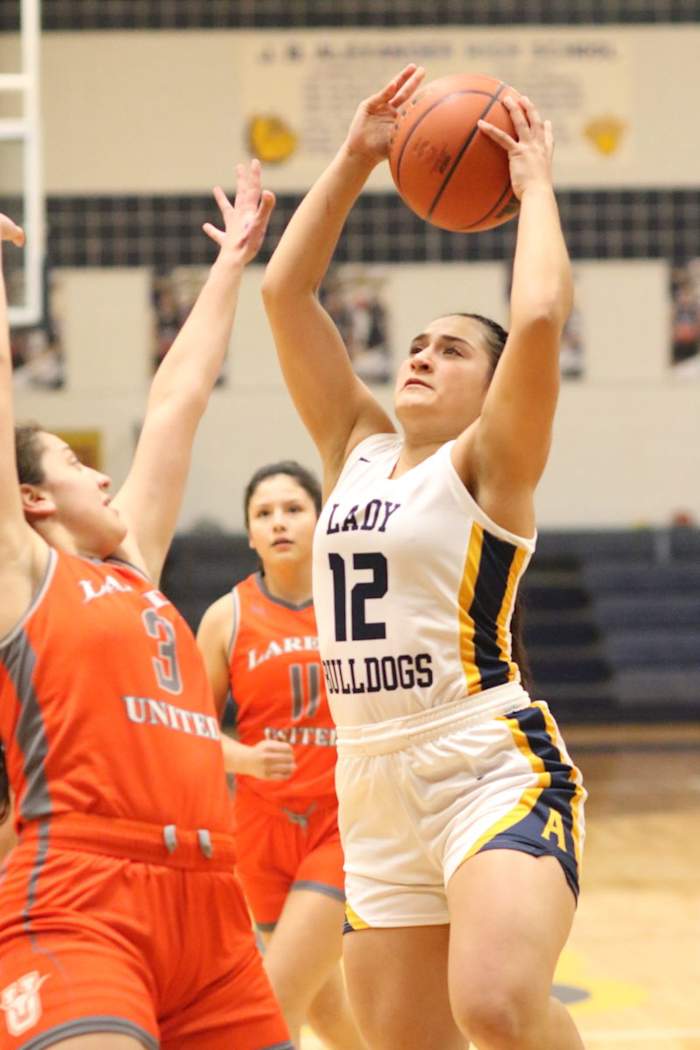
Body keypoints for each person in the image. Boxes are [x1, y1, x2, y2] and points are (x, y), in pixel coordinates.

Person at [262, 65, 587, 1050]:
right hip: (367, 784)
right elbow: (283, 292)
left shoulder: (490, 462)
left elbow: (535, 320)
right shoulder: (351, 448)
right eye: (415, 342)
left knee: (492, 1007)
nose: (419, 355)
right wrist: (357, 156)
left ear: (494, 390)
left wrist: (534, 189)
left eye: (449, 350)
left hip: (483, 762)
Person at [0, 163, 293, 1050]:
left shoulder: (133, 564)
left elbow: (176, 402)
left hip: (212, 905)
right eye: (74, 466)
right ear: (33, 501)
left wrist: (232, 264)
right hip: (82, 893)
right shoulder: (21, 572)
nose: (101, 474)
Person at [197, 461, 365, 1050]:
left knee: (274, 999)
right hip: (262, 830)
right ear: (248, 534)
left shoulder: (354, 602)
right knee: (324, 1003)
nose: (279, 523)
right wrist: (243, 759)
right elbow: (188, 730)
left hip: (339, 825)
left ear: (321, 519)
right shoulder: (227, 616)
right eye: (263, 514)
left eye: (293, 509)